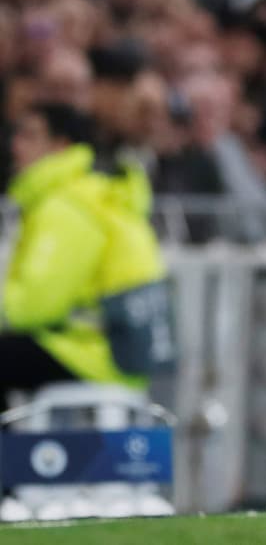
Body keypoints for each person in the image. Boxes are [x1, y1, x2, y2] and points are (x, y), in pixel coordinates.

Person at [1, 103, 169, 407]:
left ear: (60, 145)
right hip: (123, 353)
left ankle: (10, 452)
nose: (16, 145)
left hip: (91, 354)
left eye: (29, 136)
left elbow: (32, 307)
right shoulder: (93, 195)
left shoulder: (67, 206)